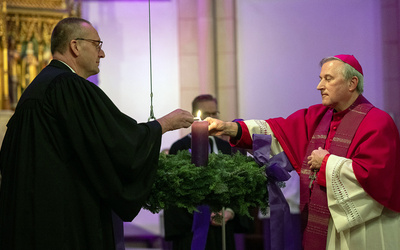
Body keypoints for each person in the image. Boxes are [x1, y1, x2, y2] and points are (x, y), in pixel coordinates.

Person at [0, 17, 194, 249]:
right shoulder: (67, 85)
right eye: (97, 45)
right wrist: (163, 124)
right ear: (75, 46)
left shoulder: (35, 90)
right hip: (64, 225)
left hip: (28, 223)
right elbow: (114, 143)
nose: (102, 54)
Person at [206, 55, 400, 250]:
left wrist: (326, 163)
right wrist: (229, 128)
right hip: (325, 227)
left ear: (352, 83)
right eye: (320, 78)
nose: (319, 86)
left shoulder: (378, 122)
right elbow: (276, 132)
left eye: (328, 79)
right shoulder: (318, 117)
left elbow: (376, 178)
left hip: (363, 229)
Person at [163, 94, 252, 250]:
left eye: (214, 114)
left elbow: (238, 185)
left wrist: (230, 211)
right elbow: (175, 192)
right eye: (206, 114)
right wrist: (203, 215)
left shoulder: (226, 147)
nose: (211, 118)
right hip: (192, 229)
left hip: (223, 228)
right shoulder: (180, 148)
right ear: (195, 116)